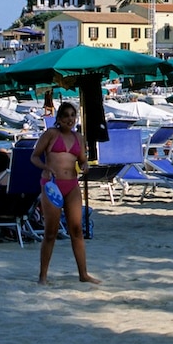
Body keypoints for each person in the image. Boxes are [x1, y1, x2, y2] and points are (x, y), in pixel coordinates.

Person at [31, 102, 99, 284]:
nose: (70, 119)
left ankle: (83, 274)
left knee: (76, 229)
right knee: (51, 231)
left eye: (72, 115)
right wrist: (46, 167)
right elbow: (34, 156)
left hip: (72, 185)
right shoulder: (50, 135)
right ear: (59, 119)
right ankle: (43, 276)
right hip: (52, 184)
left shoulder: (79, 137)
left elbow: (82, 160)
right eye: (66, 115)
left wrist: (84, 166)